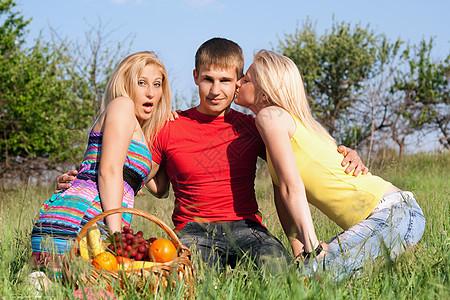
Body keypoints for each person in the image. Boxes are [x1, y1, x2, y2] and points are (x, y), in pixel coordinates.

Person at [56, 38, 368, 271]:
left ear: (238, 82)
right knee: (194, 279)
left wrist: (343, 151)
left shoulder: (252, 126)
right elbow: (145, 178)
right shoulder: (169, 125)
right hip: (192, 230)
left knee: (279, 272)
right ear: (195, 77)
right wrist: (85, 175)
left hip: (247, 226)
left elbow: (301, 152)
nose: (215, 90)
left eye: (225, 81)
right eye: (208, 79)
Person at [234, 49, 426, 279]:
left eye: (245, 79)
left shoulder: (270, 117)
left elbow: (291, 187)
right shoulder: (280, 126)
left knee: (311, 278)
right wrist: (301, 255)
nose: (237, 82)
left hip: (394, 214)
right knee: (302, 277)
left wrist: (313, 248)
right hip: (388, 217)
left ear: (264, 93)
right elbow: (283, 199)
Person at [31, 51, 172, 278]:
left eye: (157, 84)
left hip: (96, 222)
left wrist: (171, 132)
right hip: (81, 220)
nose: (151, 92)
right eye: (142, 83)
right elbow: (108, 171)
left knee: (73, 287)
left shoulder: (140, 136)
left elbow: (160, 189)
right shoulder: (122, 105)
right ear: (126, 84)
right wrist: (117, 237)